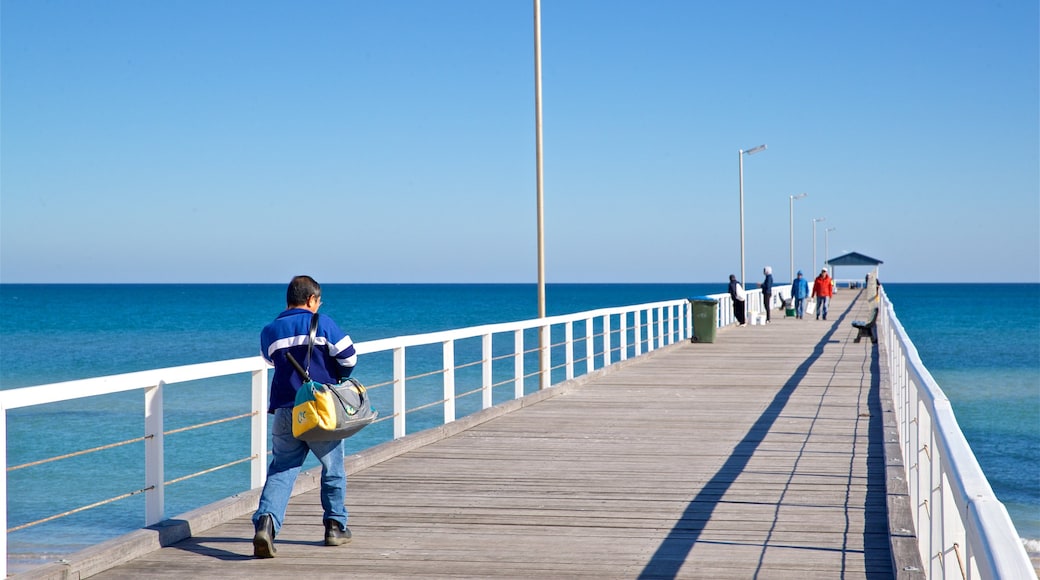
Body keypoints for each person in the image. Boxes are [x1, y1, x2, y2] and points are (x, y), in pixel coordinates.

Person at [252, 275, 358, 558]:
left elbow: (270, 361)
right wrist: (336, 376)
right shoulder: (322, 322)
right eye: (319, 301)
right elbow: (349, 357)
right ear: (312, 299)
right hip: (319, 409)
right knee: (333, 467)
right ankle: (335, 526)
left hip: (286, 410)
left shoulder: (270, 330)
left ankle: (266, 525)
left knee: (283, 469)